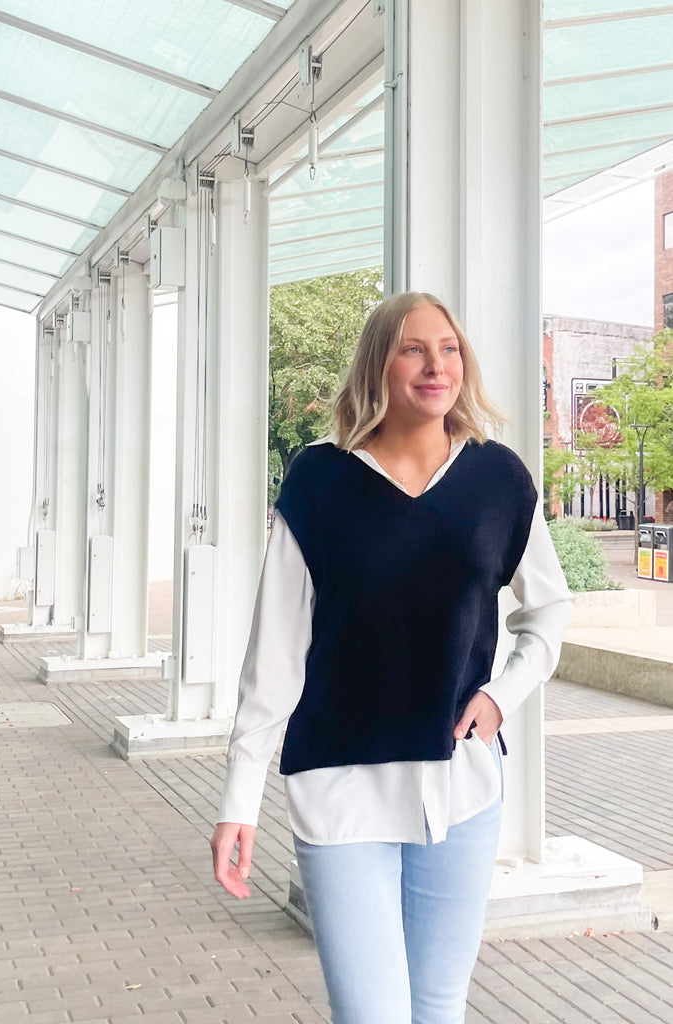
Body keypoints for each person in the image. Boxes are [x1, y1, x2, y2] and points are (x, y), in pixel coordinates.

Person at [210, 292, 573, 1024]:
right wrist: (238, 799)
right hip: (339, 790)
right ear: (379, 363)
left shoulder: (498, 481)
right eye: (413, 348)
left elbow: (549, 610)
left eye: (448, 348)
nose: (436, 364)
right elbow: (274, 654)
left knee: (437, 1009)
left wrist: (502, 694)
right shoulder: (319, 483)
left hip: (462, 788)